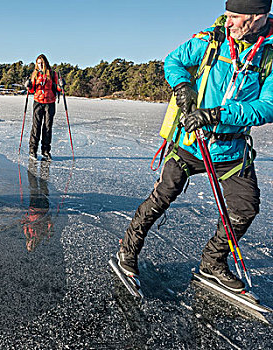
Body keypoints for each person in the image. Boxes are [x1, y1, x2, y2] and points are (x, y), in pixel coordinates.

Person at [117, 0, 273, 292]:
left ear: (257, 18)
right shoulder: (211, 40)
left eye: (235, 18)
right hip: (192, 142)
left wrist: (217, 115)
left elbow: (268, 106)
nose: (228, 23)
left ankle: (212, 263)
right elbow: (173, 61)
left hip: (231, 150)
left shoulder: (270, 55)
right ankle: (128, 249)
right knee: (161, 197)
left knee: (245, 208)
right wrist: (182, 85)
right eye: (227, 15)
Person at [25, 54, 65, 161]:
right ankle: (33, 150)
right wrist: (28, 86)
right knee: (36, 126)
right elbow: (32, 90)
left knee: (47, 127)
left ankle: (46, 151)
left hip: (50, 102)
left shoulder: (52, 74)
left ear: (45, 63)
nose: (40, 65)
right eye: (38, 63)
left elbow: (57, 88)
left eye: (42, 63)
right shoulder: (35, 74)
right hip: (38, 102)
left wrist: (61, 85)